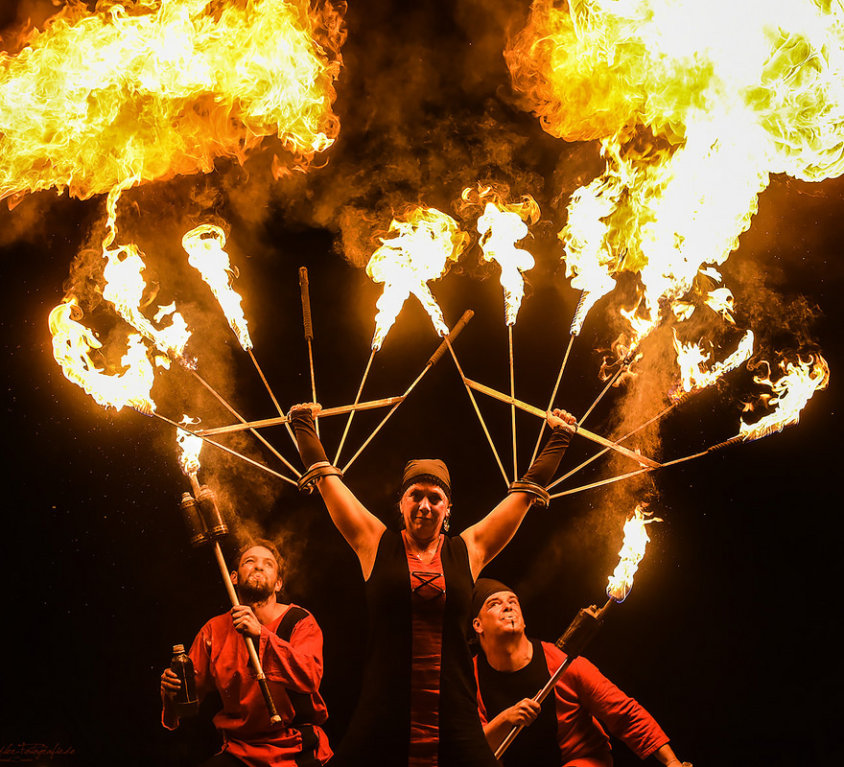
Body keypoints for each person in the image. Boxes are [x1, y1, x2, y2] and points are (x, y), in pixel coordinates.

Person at [287, 402, 577, 767]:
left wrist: (560, 436)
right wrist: (302, 424)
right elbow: (326, 479)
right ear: (401, 503)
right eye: (416, 496)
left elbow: (525, 493)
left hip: (453, 713)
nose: (425, 505)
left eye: (435, 498)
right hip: (383, 711)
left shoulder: (469, 549)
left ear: (448, 508)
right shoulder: (374, 543)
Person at [471, 579, 688, 767]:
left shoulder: (563, 663)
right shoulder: (467, 677)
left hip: (579, 760)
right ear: (477, 625)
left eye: (513, 602)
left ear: (524, 620)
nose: (508, 607)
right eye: (494, 604)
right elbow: (469, 747)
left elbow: (624, 713)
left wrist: (671, 761)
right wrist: (505, 719)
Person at [160, 540, 331, 767]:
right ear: (234, 577)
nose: (258, 567)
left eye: (268, 564)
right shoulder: (213, 630)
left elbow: (310, 677)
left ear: (278, 583)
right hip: (241, 750)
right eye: (249, 562)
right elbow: (189, 702)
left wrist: (261, 634)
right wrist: (171, 695)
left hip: (296, 746)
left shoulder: (300, 621)